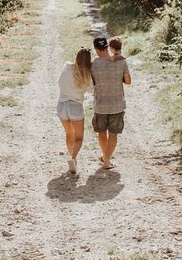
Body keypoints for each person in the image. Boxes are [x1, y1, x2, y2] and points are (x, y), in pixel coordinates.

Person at [91, 36, 131, 169]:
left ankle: (105, 158)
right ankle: (106, 160)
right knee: (113, 133)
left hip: (100, 104)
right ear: (107, 47)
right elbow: (128, 81)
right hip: (117, 104)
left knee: (101, 132)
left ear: (96, 49)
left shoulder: (93, 64)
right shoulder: (121, 62)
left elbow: (91, 83)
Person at [56, 47, 93, 174]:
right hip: (75, 106)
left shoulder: (66, 66)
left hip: (61, 105)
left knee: (69, 134)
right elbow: (92, 90)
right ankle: (73, 158)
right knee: (79, 137)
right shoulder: (86, 74)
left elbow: (59, 81)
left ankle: (72, 157)